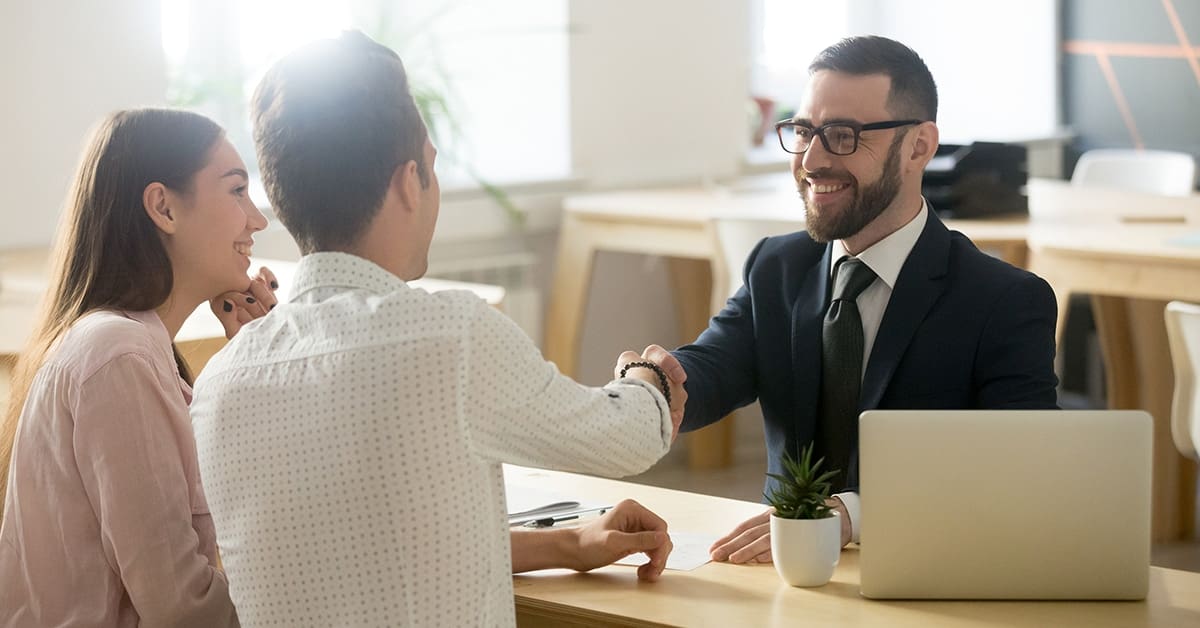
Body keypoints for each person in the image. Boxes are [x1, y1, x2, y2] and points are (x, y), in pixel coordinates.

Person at [189, 31, 686, 627]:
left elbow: (369, 545)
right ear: (408, 181)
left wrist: (567, 542)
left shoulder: (218, 385)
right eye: (431, 166)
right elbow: (626, 439)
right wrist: (647, 377)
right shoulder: (450, 336)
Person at [625, 35, 1058, 564]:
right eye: (805, 131)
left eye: (843, 136)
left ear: (919, 146)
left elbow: (1019, 470)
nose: (811, 159)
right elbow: (714, 364)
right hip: (780, 572)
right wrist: (655, 381)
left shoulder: (1006, 302)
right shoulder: (777, 266)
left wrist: (850, 516)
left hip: (930, 570)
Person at [0, 108, 279, 626]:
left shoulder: (129, 349)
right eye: (238, 190)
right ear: (163, 207)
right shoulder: (118, 354)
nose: (257, 220)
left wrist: (252, 371)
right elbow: (181, 608)